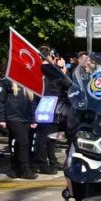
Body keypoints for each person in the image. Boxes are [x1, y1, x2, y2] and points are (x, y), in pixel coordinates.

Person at [33, 46, 70, 174]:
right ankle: (44, 163)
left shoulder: (36, 69)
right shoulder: (53, 69)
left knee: (48, 135)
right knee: (47, 137)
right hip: (52, 105)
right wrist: (63, 69)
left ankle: (51, 161)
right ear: (49, 56)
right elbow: (67, 84)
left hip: (42, 104)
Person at [0, 78, 38, 179]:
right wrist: (1, 118)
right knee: (23, 142)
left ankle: (16, 168)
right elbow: (0, 100)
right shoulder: (6, 81)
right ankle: (24, 169)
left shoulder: (27, 81)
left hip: (25, 117)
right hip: (13, 117)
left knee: (20, 143)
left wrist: (34, 118)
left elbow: (32, 102)